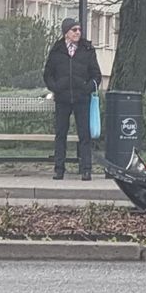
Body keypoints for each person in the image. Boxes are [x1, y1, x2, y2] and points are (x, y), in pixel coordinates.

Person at [44, 18, 102, 181]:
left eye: (79, 30)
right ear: (66, 33)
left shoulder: (87, 49)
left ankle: (86, 170)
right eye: (74, 30)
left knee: (84, 135)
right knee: (60, 134)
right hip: (62, 98)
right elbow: (47, 74)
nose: (78, 32)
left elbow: (96, 75)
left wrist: (87, 87)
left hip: (81, 98)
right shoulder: (57, 50)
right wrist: (55, 87)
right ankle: (59, 169)